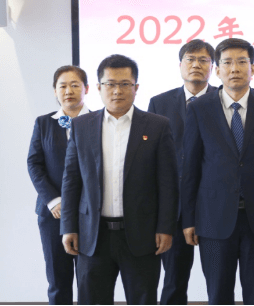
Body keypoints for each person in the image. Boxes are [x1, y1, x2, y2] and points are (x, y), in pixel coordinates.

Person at [182, 38, 254, 305]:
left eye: (242, 62)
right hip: (213, 219)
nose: (234, 69)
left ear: (252, 69)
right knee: (218, 293)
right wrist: (188, 218)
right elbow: (190, 168)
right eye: (227, 62)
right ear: (217, 69)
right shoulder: (199, 108)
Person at [60, 54, 178, 305]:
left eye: (125, 84)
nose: (117, 91)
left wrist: (165, 227)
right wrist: (68, 226)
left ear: (136, 87)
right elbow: (71, 181)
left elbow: (168, 183)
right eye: (110, 84)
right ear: (99, 87)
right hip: (93, 236)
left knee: (143, 299)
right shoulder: (81, 126)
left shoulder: (157, 126)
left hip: (142, 235)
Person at [148, 39, 217, 305]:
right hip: (174, 205)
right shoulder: (159, 103)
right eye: (190, 59)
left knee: (218, 279)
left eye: (203, 60)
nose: (196, 64)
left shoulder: (225, 100)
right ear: (180, 65)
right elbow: (153, 157)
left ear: (213, 67)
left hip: (213, 202)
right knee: (174, 279)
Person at [27, 65, 90, 305]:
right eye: (62, 86)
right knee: (57, 280)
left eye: (75, 85)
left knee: (89, 280)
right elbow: (34, 164)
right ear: (55, 91)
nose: (68, 91)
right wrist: (53, 200)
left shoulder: (99, 120)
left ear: (86, 89)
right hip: (53, 214)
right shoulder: (43, 123)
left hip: (89, 214)